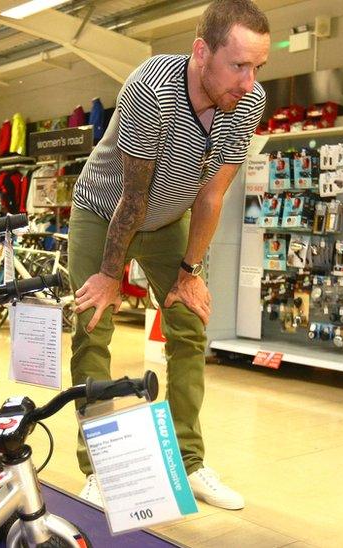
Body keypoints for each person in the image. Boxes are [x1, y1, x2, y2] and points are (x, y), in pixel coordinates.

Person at [68, 0, 269, 511]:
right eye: (238, 65)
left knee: (189, 322)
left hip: (171, 214)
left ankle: (189, 461)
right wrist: (111, 276)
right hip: (104, 209)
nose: (248, 82)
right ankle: (98, 471)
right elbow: (131, 199)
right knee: (94, 323)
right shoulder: (149, 89)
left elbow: (211, 195)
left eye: (257, 68)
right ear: (202, 51)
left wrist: (190, 273)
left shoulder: (248, 101)